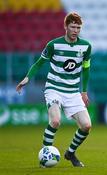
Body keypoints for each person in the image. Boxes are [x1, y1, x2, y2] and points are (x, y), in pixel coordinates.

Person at [16, 12, 92, 167]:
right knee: (55, 121)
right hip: (54, 88)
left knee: (86, 126)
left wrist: (83, 91)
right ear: (66, 27)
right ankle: (45, 154)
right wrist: (27, 78)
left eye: (78, 27)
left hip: (72, 91)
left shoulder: (86, 46)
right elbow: (38, 64)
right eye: (72, 27)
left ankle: (70, 153)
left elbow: (86, 69)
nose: (75, 30)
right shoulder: (53, 45)